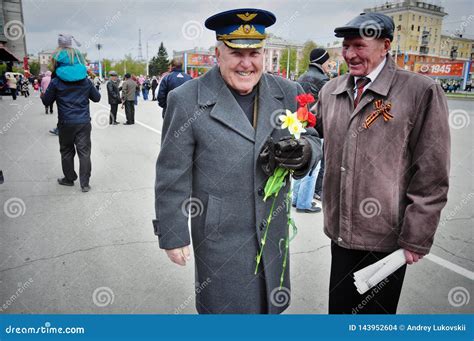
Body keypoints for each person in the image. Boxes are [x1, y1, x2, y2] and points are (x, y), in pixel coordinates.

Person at [153, 8, 322, 314]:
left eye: (254, 53)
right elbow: (172, 173)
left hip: (272, 233)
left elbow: (311, 136)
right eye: (236, 53)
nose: (247, 63)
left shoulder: (288, 91)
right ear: (218, 53)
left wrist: (306, 152)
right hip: (220, 239)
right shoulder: (187, 99)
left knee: (269, 309)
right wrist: (173, 232)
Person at [314, 12, 450, 314]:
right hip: (340, 232)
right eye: (346, 46)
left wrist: (416, 236)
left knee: (374, 322)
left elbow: (432, 172)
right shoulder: (330, 90)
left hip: (386, 238)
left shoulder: (420, 91)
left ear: (385, 45)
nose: (349, 54)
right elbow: (310, 137)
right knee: (339, 314)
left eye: (359, 46)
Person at [42, 33, 101, 192]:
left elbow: (46, 101)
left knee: (67, 150)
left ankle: (69, 179)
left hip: (65, 122)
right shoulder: (85, 80)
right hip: (83, 122)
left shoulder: (56, 81)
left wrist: (45, 91)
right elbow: (97, 98)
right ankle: (85, 183)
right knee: (84, 152)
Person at [292, 48, 330, 213]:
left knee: (302, 161)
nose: (330, 65)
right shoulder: (323, 80)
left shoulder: (302, 76)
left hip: (300, 123)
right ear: (322, 61)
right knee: (313, 165)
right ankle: (304, 203)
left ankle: (296, 199)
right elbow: (328, 105)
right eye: (328, 61)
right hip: (315, 126)